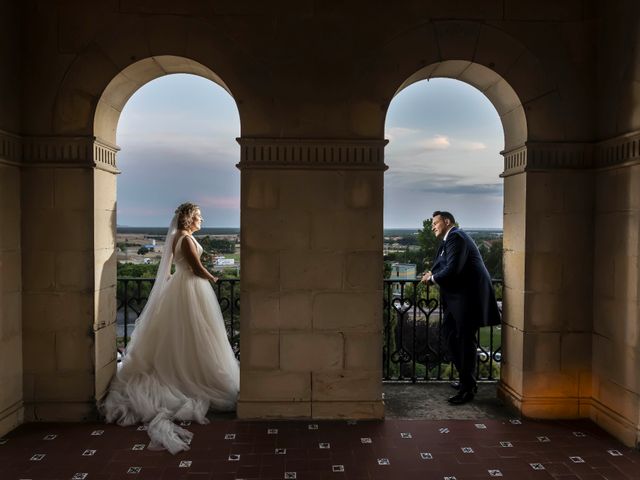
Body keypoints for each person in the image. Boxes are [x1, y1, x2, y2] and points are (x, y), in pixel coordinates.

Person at [102, 203, 240, 454]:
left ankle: (186, 370)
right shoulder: (186, 239)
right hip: (190, 287)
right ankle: (192, 375)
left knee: (185, 336)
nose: (202, 220)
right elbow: (196, 267)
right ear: (189, 219)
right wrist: (214, 278)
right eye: (199, 216)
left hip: (181, 286)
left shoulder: (178, 236)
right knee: (196, 334)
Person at [421, 211, 500, 405]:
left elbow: (454, 269)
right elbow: (444, 264)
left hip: (468, 300)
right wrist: (434, 272)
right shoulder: (449, 240)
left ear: (447, 221)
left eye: (435, 223)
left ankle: (468, 388)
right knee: (450, 335)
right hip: (458, 300)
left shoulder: (456, 236)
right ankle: (466, 380)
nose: (432, 227)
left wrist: (432, 278)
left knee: (465, 342)